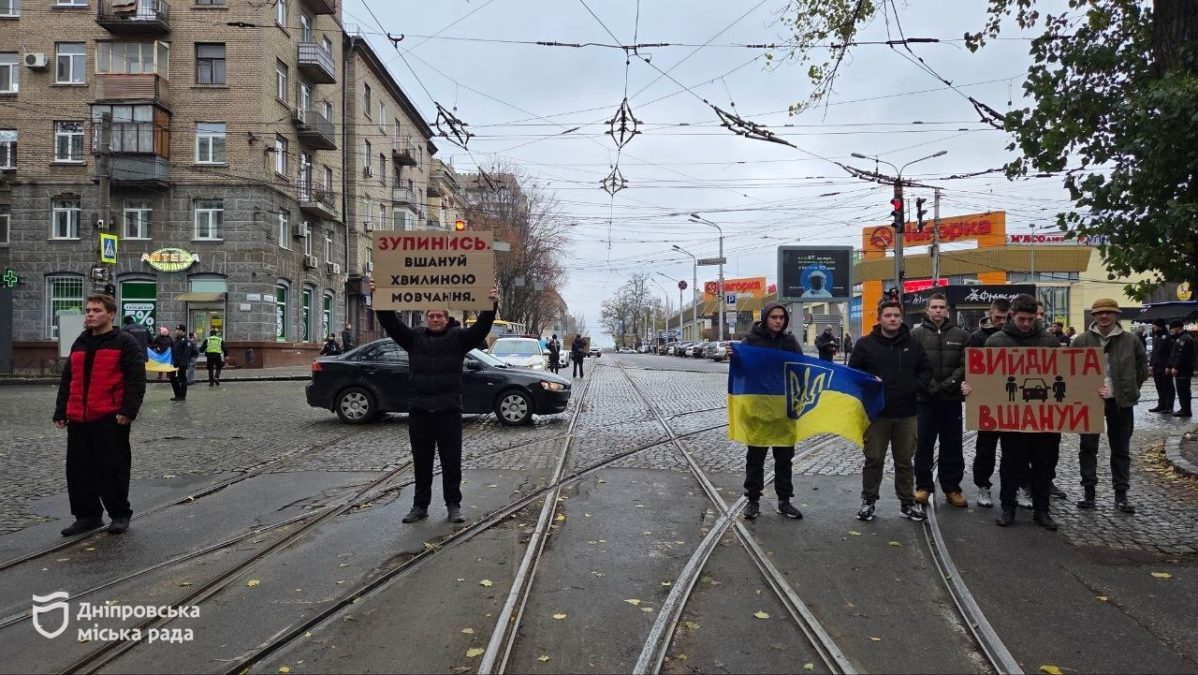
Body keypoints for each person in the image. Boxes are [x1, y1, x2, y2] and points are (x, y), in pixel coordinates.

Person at [369, 278, 499, 524]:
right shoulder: (414, 338)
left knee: (452, 462)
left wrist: (491, 304)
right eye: (432, 316)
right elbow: (391, 323)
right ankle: (420, 506)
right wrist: (379, 297)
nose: (436, 319)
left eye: (440, 316)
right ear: (426, 318)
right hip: (419, 411)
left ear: (447, 318)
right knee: (422, 463)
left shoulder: (459, 338)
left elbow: (481, 329)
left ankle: (453, 505)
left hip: (448, 411)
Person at [53, 294, 146, 536]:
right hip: (79, 417)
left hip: (110, 416)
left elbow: (136, 379)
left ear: (111, 314)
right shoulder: (80, 342)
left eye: (96, 310)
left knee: (111, 467)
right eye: (88, 310)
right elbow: (68, 378)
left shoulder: (125, 342)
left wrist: (128, 411)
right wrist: (61, 409)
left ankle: (119, 513)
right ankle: (88, 515)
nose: (91, 314)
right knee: (79, 469)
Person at [975, 293, 1061, 530]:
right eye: (1022, 319)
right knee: (1011, 463)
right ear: (1012, 315)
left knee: (1043, 465)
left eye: (1030, 319)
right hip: (1010, 418)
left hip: (1043, 418)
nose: (1026, 324)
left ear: (1036, 317)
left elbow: (1062, 378)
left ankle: (1042, 511)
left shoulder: (1049, 342)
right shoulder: (996, 342)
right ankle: (1008, 508)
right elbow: (987, 380)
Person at [849, 299, 933, 522]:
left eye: (896, 315)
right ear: (879, 319)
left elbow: (926, 370)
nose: (893, 319)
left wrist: (914, 386)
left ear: (901, 317)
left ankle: (907, 502)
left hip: (906, 412)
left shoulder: (913, 344)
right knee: (874, 458)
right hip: (876, 414)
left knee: (904, 460)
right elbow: (853, 374)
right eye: (888, 315)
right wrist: (868, 387)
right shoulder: (865, 344)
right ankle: (869, 500)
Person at [1072, 298, 1148, 514]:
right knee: (1087, 447)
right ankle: (1089, 493)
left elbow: (1142, 369)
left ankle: (1121, 494)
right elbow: (1070, 371)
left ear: (1116, 315)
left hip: (1120, 402)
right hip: (1090, 402)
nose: (1104, 317)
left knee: (1121, 448)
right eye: (1099, 313)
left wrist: (1127, 389)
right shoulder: (1081, 341)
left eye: (1109, 313)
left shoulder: (1131, 340)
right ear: (1093, 316)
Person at [739, 302, 805, 520]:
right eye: (774, 317)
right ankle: (753, 500)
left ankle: (784, 501)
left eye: (781, 317)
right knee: (755, 458)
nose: (778, 321)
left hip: (784, 411)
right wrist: (736, 356)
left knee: (784, 459)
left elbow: (801, 370)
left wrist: (799, 400)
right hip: (759, 409)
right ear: (765, 318)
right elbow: (741, 372)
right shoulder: (751, 341)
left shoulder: (790, 342)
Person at [910, 293, 970, 508]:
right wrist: (932, 386)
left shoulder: (961, 335)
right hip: (925, 400)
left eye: (941, 307)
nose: (938, 310)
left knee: (952, 445)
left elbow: (965, 365)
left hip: (951, 400)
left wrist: (947, 385)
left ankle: (952, 488)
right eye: (934, 307)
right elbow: (914, 365)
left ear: (947, 310)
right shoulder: (915, 335)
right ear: (927, 310)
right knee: (924, 445)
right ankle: (923, 486)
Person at [968, 298, 1009, 507]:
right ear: (990, 314)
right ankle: (983, 485)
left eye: (1005, 317)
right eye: (998, 317)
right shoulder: (977, 337)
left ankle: (1015, 486)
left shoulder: (1016, 335)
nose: (1001, 321)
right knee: (986, 447)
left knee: (1014, 449)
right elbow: (972, 368)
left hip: (1013, 403)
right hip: (988, 402)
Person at [1148, 319, 1176, 413]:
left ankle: (1169, 407)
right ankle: (1161, 405)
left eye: (1154, 325)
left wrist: (1169, 365)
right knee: (1159, 386)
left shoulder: (1168, 337)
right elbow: (1154, 352)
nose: (1153, 327)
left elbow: (1172, 353)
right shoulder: (1156, 336)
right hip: (1157, 366)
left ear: (1159, 326)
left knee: (1168, 386)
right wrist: (1151, 364)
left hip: (1165, 366)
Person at [1168, 319, 1194, 418]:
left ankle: (1186, 410)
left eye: (1172, 328)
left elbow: (1181, 355)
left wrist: (1176, 367)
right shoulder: (1183, 338)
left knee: (1183, 390)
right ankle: (1184, 409)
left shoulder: (1184, 339)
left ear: (1178, 328)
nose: (1171, 331)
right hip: (1184, 369)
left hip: (1184, 370)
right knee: (1182, 390)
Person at [169, 324, 190, 401]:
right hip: (174, 363)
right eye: (176, 330)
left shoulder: (186, 341)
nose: (177, 331)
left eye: (179, 330)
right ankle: (177, 394)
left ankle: (182, 395)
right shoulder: (176, 340)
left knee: (182, 379)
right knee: (172, 378)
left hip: (181, 364)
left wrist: (182, 364)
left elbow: (186, 353)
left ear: (183, 331)